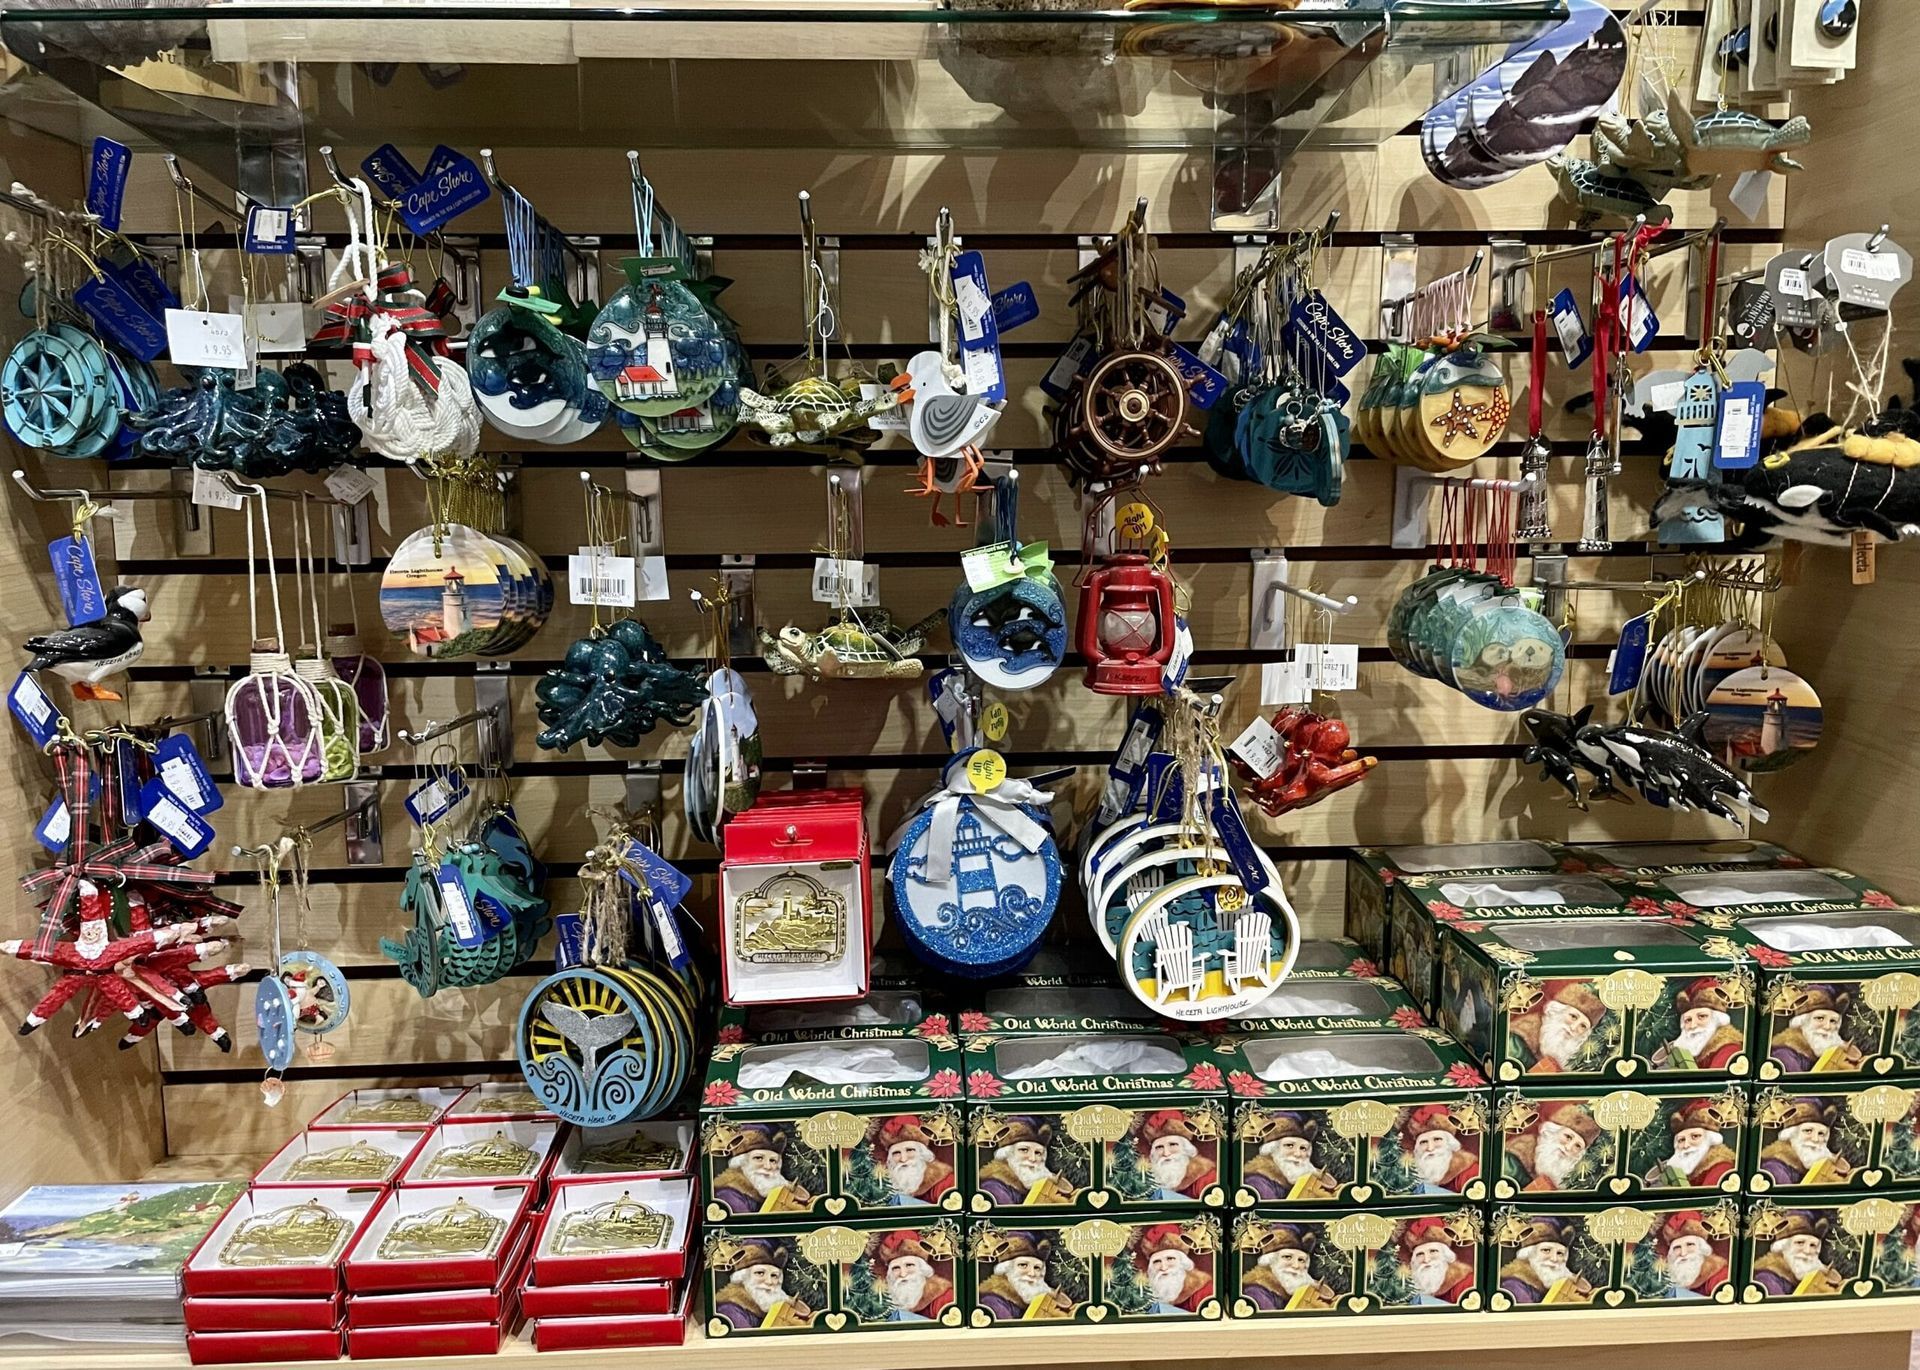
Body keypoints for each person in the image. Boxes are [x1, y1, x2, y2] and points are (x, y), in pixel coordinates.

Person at [711, 1123, 812, 1215]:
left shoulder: (772, 1190)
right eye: (758, 1158)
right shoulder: (729, 1195)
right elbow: (748, 1233)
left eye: (773, 1160)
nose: (768, 1166)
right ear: (741, 1163)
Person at [1509, 980, 1607, 1074]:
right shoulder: (1516, 1041)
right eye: (1573, 1016)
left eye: (1583, 1026)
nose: (1573, 1027)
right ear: (1556, 1011)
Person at [713, 1238, 814, 1329]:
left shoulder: (771, 1305)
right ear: (742, 1278)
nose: (769, 1282)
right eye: (760, 1273)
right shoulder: (730, 1310)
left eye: (774, 1275)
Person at [974, 1117, 1076, 1206]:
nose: (1032, 1158)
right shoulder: (994, 1187)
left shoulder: (1036, 1183)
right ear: (1007, 1154)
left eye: (1038, 1153)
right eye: (1024, 1150)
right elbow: (1011, 1225)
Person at [1240, 1111, 1339, 1201]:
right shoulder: (1258, 1182)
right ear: (1272, 1150)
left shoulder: (1303, 1178)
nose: (1298, 1154)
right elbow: (1272, 1219)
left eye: (1303, 1148)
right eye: (1289, 1145)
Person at [974, 1231, 1074, 1320]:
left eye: (1037, 1267)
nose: (1032, 1273)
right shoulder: (993, 1301)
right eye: (1023, 1265)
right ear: (1006, 1270)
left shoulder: (1038, 1295)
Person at [1497, 1216, 1594, 1305]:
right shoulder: (1514, 1285)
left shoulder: (1564, 1280)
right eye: (1546, 1250)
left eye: (1560, 1253)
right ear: (1529, 1254)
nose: (1554, 1259)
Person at [1238, 1224, 1338, 1311]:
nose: (1296, 1265)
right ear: (1270, 1261)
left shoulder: (1303, 1287)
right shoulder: (1256, 1292)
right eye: (1287, 1257)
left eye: (1301, 1260)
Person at [1768, 985, 1866, 1074]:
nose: (1827, 1027)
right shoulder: (1785, 1054)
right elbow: (1800, 1091)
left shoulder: (1836, 1049)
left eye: (1833, 1021)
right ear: (1802, 1022)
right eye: (1819, 1018)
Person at [1504, 1102, 1600, 1192]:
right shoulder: (1511, 1162)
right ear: (1551, 1131)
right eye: (1568, 1137)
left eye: (1578, 1146)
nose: (1568, 1147)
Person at [1653, 979, 1747, 1071]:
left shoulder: (1728, 1051)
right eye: (1688, 1020)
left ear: (1718, 1020)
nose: (1693, 1025)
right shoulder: (1692, 1051)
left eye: (1702, 1016)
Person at [1757, 1099, 1853, 1187]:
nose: (1816, 1139)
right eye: (1808, 1131)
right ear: (1791, 1135)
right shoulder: (1775, 1168)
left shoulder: (1826, 1163)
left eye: (1821, 1133)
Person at [1646, 1099, 1738, 1188]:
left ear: (1710, 1139)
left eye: (1695, 1136)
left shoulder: (1720, 1169)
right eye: (1681, 1140)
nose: (1686, 1145)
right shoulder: (1685, 1170)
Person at [1749, 1212, 1845, 1297]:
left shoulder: (1821, 1273)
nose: (1807, 1251)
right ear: (1783, 1247)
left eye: (1813, 1245)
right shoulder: (1767, 1278)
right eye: (1800, 1243)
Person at [871, 1230, 952, 1322]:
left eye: (909, 1265)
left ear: (922, 1269)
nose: (903, 1274)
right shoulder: (881, 1299)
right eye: (896, 1268)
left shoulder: (943, 1297)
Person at [872, 1116, 954, 1207]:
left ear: (923, 1154)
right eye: (896, 1153)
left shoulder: (945, 1182)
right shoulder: (881, 1183)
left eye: (910, 1150)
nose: (903, 1159)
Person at [1137, 1110, 1218, 1201]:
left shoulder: (1206, 1177)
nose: (1166, 1153)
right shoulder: (1144, 1179)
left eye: (1173, 1145)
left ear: (1186, 1149)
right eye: (1159, 1147)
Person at [1135, 1223, 1213, 1315]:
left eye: (1170, 1259)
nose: (1163, 1267)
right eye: (1157, 1261)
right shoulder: (1142, 1292)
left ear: (1183, 1262)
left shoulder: (1203, 1290)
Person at [1401, 1104, 1479, 1194]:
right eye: (1423, 1142)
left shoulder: (1469, 1171)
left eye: (1437, 1139)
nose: (1430, 1148)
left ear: (1450, 1143)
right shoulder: (1407, 1173)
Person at [1400, 1217, 1476, 1305]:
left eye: (1433, 1251)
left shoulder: (1466, 1283)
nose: (1426, 1259)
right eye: (1420, 1254)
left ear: (1446, 1255)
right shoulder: (1407, 1286)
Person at [1658, 1213, 1728, 1300]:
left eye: (1690, 1244)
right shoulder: (1662, 1277)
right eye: (1677, 1247)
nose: (1683, 1253)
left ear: (1702, 1248)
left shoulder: (1719, 1275)